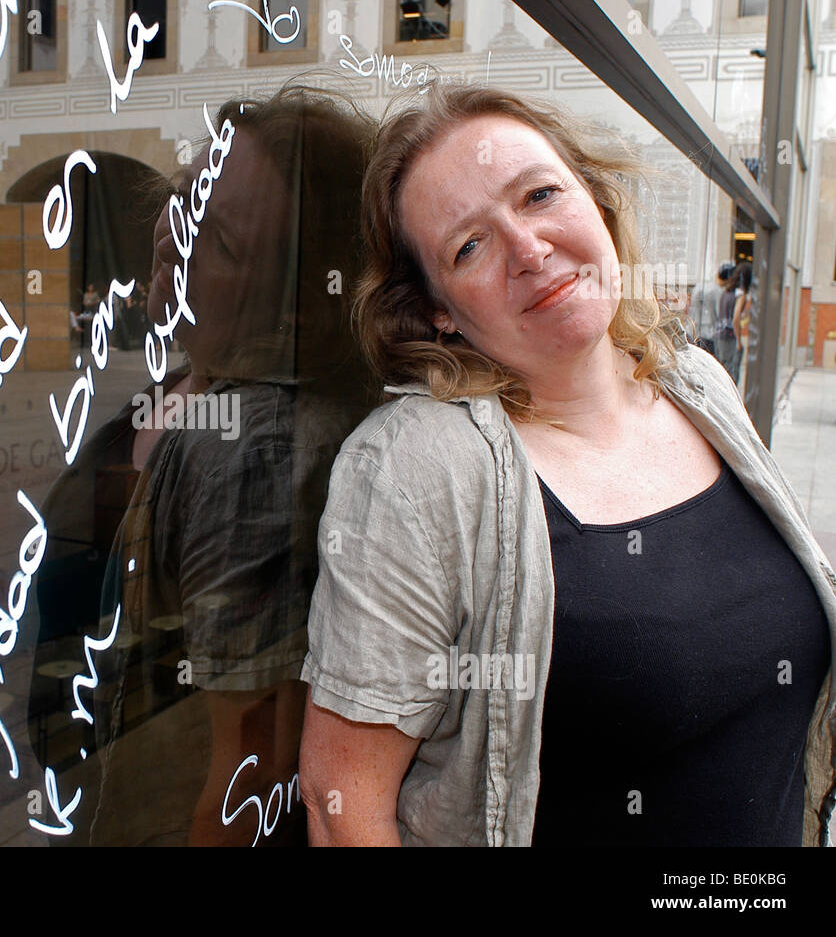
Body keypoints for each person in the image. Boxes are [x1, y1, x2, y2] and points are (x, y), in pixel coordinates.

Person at [298, 82, 836, 847]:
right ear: (437, 310)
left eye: (541, 194)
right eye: (469, 246)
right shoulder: (416, 468)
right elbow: (339, 801)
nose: (528, 248)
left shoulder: (696, 383)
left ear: (597, 200)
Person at [27, 83, 376, 845]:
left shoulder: (249, 447)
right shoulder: (194, 378)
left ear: (296, 307)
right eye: (183, 198)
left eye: (217, 241)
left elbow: (246, 759)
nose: (171, 237)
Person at [731, 262, 755, 397]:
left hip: (721, 334)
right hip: (731, 336)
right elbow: (736, 317)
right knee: (733, 373)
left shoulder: (728, 291)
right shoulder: (741, 295)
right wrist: (738, 340)